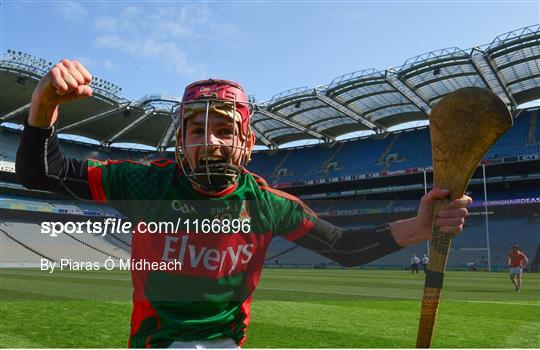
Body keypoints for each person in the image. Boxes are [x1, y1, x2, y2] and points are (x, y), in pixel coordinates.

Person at [15, 59, 472, 348]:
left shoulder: (269, 203)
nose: (211, 141)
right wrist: (43, 103)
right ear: (181, 140)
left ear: (246, 142)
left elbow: (345, 248)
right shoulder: (145, 184)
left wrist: (420, 225)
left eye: (225, 130)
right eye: (197, 130)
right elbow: (41, 172)